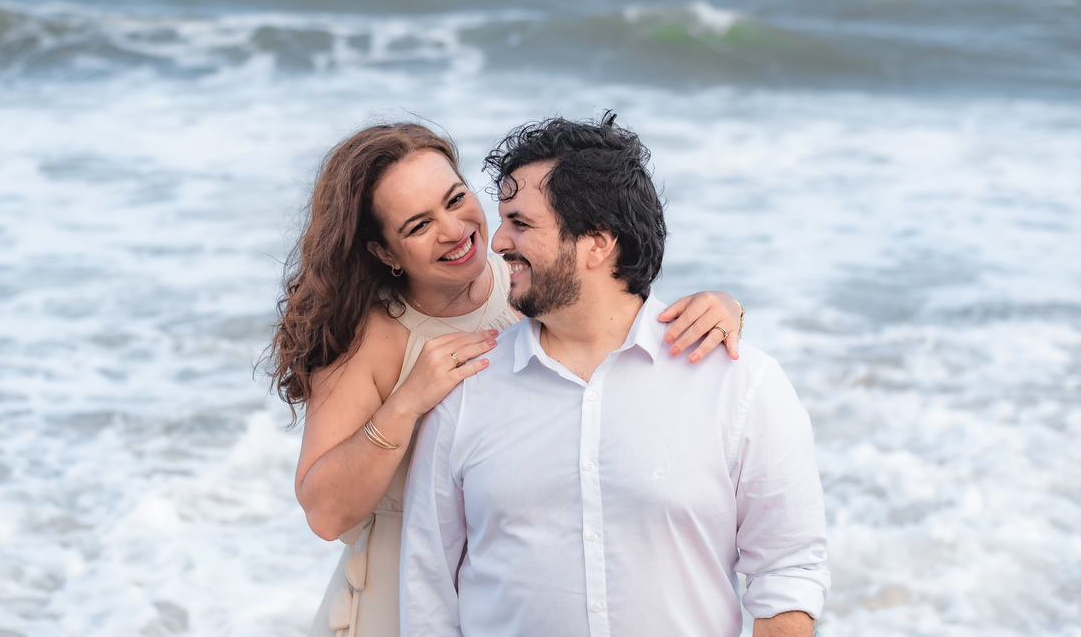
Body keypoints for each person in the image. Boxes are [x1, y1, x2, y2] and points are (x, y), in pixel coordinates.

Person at [268, 122, 747, 637]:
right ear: (384, 252)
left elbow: (618, 313)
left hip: (518, 578)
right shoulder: (366, 337)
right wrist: (405, 404)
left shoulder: (528, 278)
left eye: (456, 199)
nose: (454, 230)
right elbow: (324, 513)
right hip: (401, 587)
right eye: (418, 226)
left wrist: (725, 307)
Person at [401, 114, 830, 637]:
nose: (497, 242)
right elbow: (427, 589)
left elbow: (787, 576)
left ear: (597, 243)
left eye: (521, 223)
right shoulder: (466, 388)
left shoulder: (740, 384)